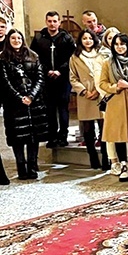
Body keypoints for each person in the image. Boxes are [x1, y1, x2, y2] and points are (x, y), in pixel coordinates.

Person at [0, 29, 48, 180]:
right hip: (14, 104)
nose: (16, 41)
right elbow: (4, 82)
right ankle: (21, 167)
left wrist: (31, 96)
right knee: (18, 137)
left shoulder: (33, 56)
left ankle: (32, 166)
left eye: (19, 38)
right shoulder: (3, 58)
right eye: (13, 38)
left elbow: (40, 78)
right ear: (8, 40)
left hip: (34, 103)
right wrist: (19, 97)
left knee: (33, 136)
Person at [99, 33, 128, 182]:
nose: (120, 47)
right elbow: (102, 83)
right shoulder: (108, 63)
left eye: (122, 44)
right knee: (118, 136)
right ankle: (123, 165)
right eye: (116, 44)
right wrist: (114, 87)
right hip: (116, 102)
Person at [30, 11, 75, 148]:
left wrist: (60, 70)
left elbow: (72, 58)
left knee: (62, 108)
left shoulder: (67, 38)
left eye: (55, 21)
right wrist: (46, 70)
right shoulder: (39, 38)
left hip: (63, 79)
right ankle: (52, 137)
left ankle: (63, 136)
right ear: (46, 22)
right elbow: (34, 57)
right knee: (49, 109)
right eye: (49, 21)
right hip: (46, 79)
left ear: (59, 22)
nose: (52, 24)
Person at [69, 30, 106, 170]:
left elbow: (105, 73)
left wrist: (98, 90)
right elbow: (73, 77)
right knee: (88, 129)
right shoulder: (75, 57)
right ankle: (93, 157)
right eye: (84, 38)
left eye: (90, 38)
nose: (88, 41)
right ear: (80, 41)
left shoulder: (101, 54)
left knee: (103, 128)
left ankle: (106, 157)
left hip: (100, 94)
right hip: (85, 96)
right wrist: (84, 91)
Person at [97, 26, 123, 175]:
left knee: (125, 132)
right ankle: (114, 161)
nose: (113, 41)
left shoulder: (125, 55)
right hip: (109, 99)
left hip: (124, 99)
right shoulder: (101, 58)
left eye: (116, 38)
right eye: (110, 38)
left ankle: (126, 161)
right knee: (111, 133)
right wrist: (112, 92)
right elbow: (99, 81)